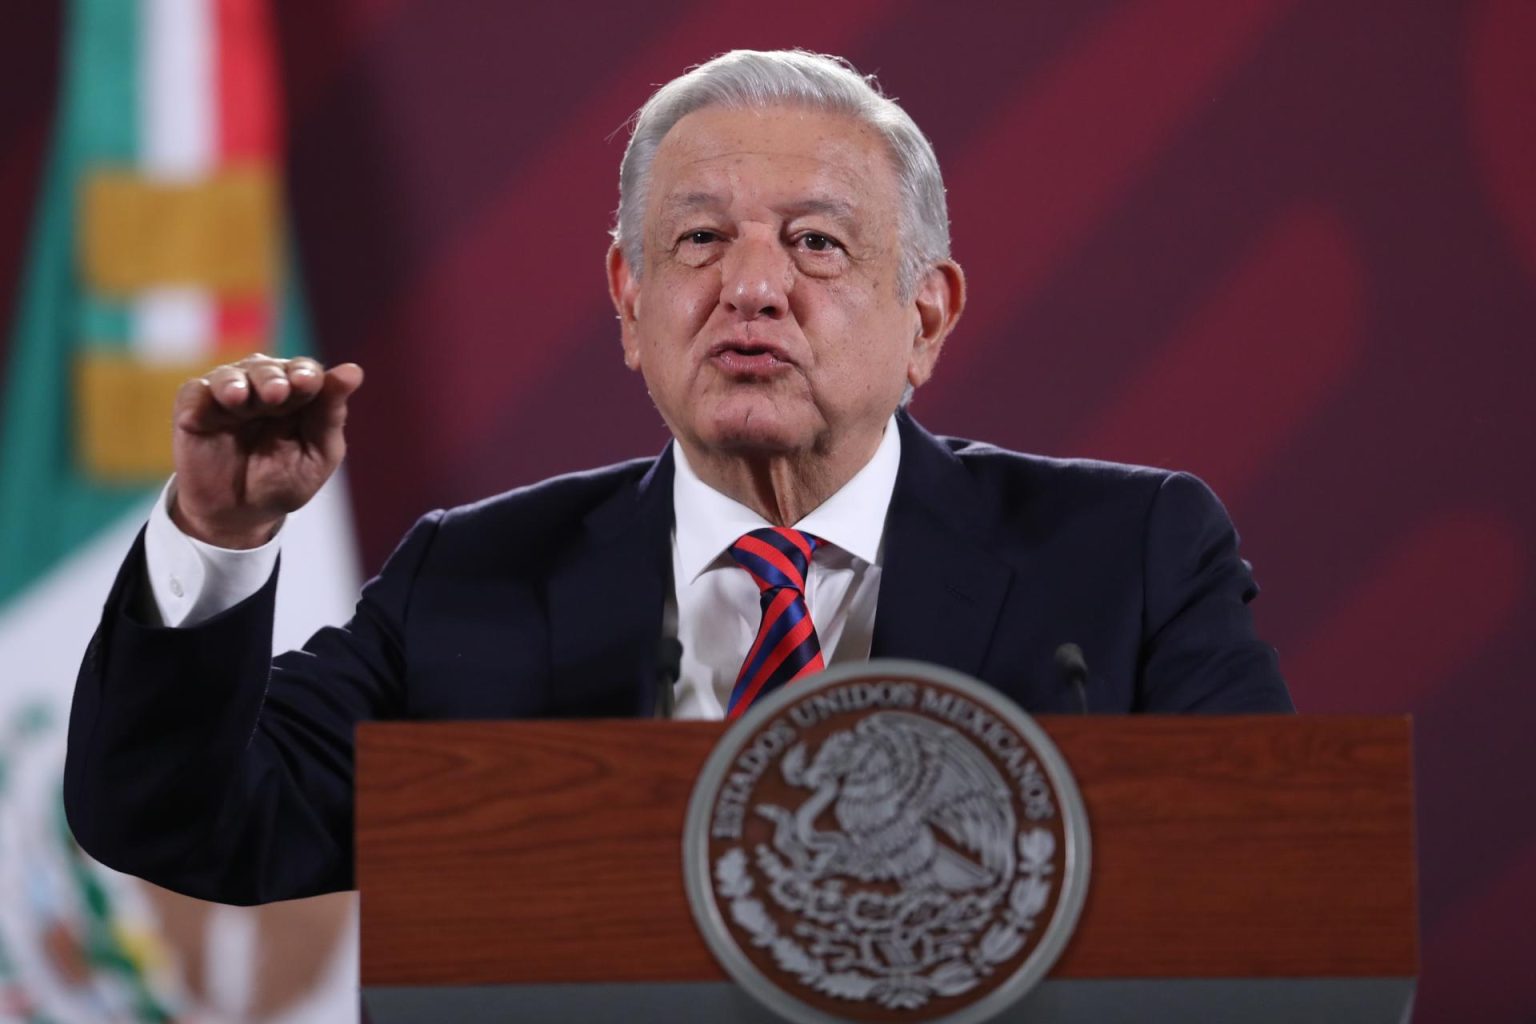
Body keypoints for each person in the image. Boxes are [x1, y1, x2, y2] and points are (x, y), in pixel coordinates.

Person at [65, 49, 1292, 906]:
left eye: (816, 242)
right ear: (630, 300)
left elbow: (1270, 891)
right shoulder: (476, 582)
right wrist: (216, 540)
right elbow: (183, 820)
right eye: (699, 240)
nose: (750, 288)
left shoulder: (1126, 558)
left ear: (928, 315)